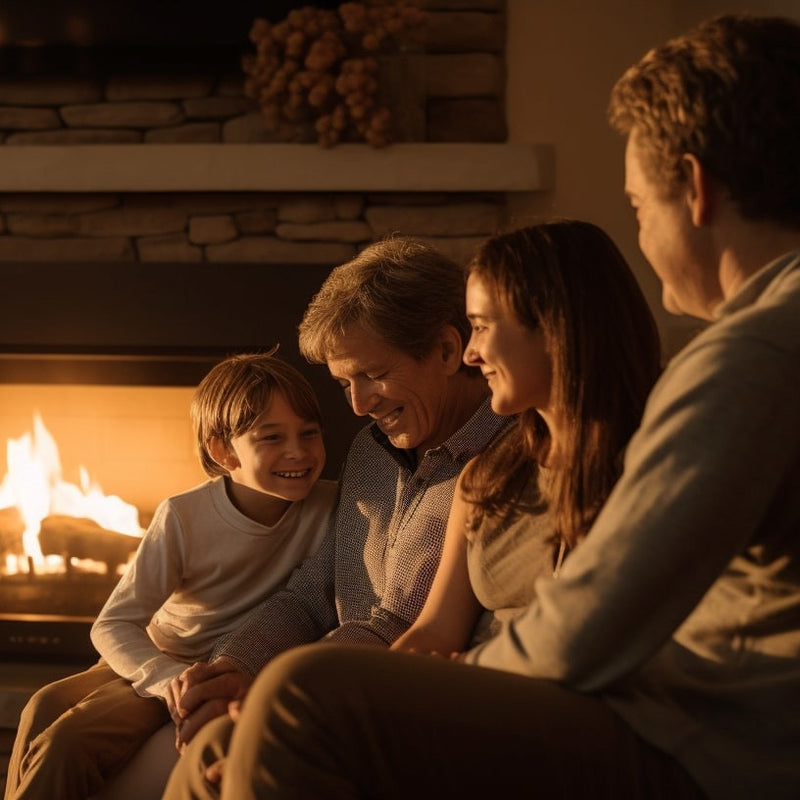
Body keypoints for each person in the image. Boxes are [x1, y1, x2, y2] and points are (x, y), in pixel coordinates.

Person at [163, 13, 800, 800]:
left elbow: (590, 626)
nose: (473, 351)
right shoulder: (758, 348)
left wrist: (436, 695)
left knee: (305, 698)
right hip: (665, 718)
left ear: (697, 190)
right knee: (242, 733)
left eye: (638, 206)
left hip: (696, 744)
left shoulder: (752, 357)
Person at [166, 237, 509, 748]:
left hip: (382, 709)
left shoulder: (502, 460)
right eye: (344, 383)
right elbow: (313, 593)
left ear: (445, 349)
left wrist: (268, 691)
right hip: (320, 680)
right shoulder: (372, 451)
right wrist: (235, 664)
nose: (357, 406)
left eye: (373, 375)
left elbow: (399, 626)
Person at [5, 351, 338, 800]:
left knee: (68, 742)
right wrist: (166, 681)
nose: (298, 451)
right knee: (41, 706)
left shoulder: (334, 506)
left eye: (309, 433)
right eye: (272, 437)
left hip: (224, 667)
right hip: (163, 662)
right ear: (223, 452)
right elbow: (113, 623)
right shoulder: (184, 516)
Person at [392, 221, 661, 659]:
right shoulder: (487, 479)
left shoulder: (651, 466)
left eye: (481, 327)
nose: (469, 354)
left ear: (554, 327)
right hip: (461, 698)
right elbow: (435, 632)